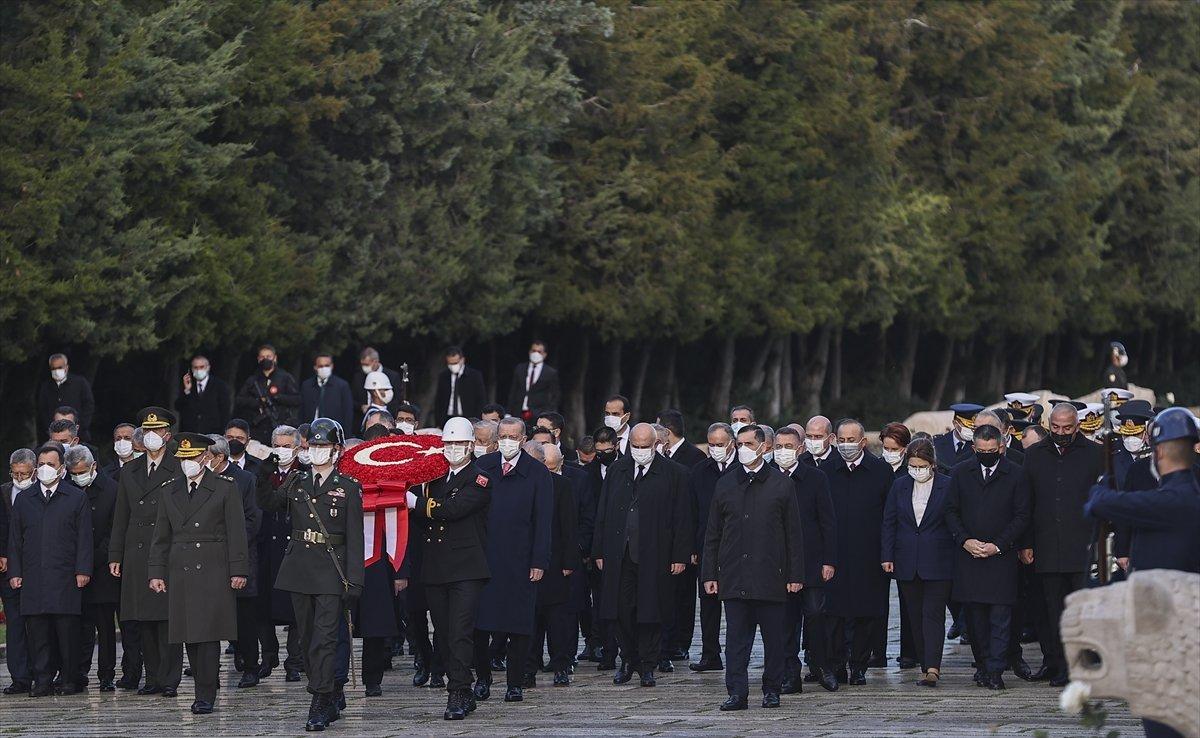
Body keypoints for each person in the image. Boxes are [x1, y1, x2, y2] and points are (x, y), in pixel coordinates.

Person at [1086, 407, 1200, 738]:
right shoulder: (1183, 495)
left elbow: (1100, 504)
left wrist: (1103, 485)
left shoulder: (1175, 500)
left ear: (1160, 450)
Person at [257, 417, 364, 731]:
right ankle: (328, 691)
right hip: (300, 569)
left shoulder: (347, 486)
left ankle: (319, 698)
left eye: (323, 446)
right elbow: (270, 503)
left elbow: (356, 537)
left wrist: (355, 578)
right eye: (313, 445)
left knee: (325, 638)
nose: (317, 451)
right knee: (306, 638)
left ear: (336, 449)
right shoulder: (297, 481)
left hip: (332, 571)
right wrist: (265, 473)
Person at [703, 425, 804, 711]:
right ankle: (737, 692)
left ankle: (772, 689)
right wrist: (710, 574)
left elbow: (793, 534)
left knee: (775, 640)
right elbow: (713, 533)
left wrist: (795, 575)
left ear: (763, 446)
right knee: (736, 641)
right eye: (739, 443)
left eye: (749, 442)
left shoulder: (781, 484)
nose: (743, 448)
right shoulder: (725, 483)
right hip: (734, 576)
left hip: (771, 575)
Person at [146, 433, 249, 715]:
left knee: (209, 633)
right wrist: (156, 571)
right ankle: (203, 686)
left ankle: (206, 692)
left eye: (192, 458)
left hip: (213, 566)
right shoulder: (169, 490)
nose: (187, 463)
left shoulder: (225, 488)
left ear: (206, 458)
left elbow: (236, 532)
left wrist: (238, 569)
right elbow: (161, 536)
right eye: (182, 459)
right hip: (181, 568)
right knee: (190, 633)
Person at [592, 423, 691, 688]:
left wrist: (680, 555)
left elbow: (683, 518)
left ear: (656, 445)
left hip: (655, 554)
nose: (639, 451)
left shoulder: (674, 473)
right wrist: (599, 550)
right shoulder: (617, 470)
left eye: (644, 447)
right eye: (635, 446)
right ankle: (628, 659)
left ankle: (648, 664)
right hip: (620, 554)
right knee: (621, 610)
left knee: (651, 610)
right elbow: (603, 512)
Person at [408, 417, 491, 719]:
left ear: (471, 446)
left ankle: (457, 692)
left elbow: (454, 509)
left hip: (466, 568)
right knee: (443, 632)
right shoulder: (433, 479)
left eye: (459, 444)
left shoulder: (480, 478)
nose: (453, 449)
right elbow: (423, 519)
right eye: (448, 444)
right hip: (436, 567)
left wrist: (416, 503)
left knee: (459, 631)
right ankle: (464, 687)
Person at [471, 418, 554, 703]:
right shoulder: (484, 466)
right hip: (484, 557)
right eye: (503, 435)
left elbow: (543, 521)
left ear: (523, 438)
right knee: (480, 624)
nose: (508, 440)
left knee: (518, 624)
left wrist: (539, 561)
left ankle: (515, 682)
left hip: (521, 559)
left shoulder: (537, 472)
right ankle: (482, 678)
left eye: (513, 436)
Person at [1021, 402, 1103, 687]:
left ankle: (1083, 665)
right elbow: (1025, 503)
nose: (1060, 432)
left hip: (1082, 547)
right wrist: (1026, 543)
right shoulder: (1033, 456)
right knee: (1051, 610)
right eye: (1055, 427)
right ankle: (1057, 663)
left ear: (1077, 425)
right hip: (1045, 546)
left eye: (1067, 428)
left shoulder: (1095, 454)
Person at [945, 424, 1031, 690]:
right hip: (969, 556)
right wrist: (965, 540)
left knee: (1000, 618)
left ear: (1001, 447)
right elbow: (950, 511)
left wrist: (999, 545)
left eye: (991, 450)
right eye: (981, 451)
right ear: (974, 448)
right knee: (975, 620)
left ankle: (995, 670)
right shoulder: (960, 472)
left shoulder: (1016, 474)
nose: (986, 454)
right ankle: (983, 666)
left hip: (1001, 558)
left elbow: (1022, 515)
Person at [109, 407, 184, 697]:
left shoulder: (178, 466)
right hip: (136, 550)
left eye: (157, 431)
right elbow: (121, 516)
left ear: (167, 434)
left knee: (166, 618)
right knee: (143, 617)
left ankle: (169, 678)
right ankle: (152, 676)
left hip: (165, 549)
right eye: (147, 431)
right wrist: (116, 554)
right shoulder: (130, 470)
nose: (151, 436)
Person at [7, 443, 92, 696]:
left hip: (65, 576)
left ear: (62, 469)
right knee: (38, 632)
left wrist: (82, 570)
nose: (45, 469)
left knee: (66, 633)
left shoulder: (76, 497)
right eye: (41, 464)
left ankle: (68, 679)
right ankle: (42, 680)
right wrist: (15, 572)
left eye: (50, 465)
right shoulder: (24, 499)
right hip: (33, 577)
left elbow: (84, 539)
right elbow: (15, 541)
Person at [821, 417, 893, 685]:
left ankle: (859, 665)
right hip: (835, 554)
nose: (846, 445)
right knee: (834, 615)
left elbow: (889, 516)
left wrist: (887, 554)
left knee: (866, 613)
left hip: (869, 554)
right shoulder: (826, 471)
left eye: (852, 440)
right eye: (842, 440)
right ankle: (836, 664)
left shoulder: (880, 471)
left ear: (863, 442)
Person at [882, 439, 955, 687]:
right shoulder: (900, 485)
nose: (917, 470)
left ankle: (933, 667)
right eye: (912, 465)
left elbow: (955, 520)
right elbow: (889, 522)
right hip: (906, 560)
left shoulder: (947, 485)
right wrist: (887, 556)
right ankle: (925, 663)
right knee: (914, 615)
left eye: (922, 465)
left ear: (932, 464)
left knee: (933, 614)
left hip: (939, 560)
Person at [771, 426, 837, 693]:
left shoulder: (816, 478)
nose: (783, 452)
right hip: (779, 562)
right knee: (785, 620)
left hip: (811, 560)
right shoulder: (768, 477)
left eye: (789, 446)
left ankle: (821, 665)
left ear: (800, 449)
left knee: (816, 614)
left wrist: (829, 560)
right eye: (779, 446)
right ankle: (789, 673)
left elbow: (828, 522)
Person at [202, 434, 263, 688]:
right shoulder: (199, 479)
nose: (202, 460)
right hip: (205, 558)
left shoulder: (245, 479)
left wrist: (229, 547)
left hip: (238, 555)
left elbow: (252, 519)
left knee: (245, 617)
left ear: (220, 457)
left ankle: (250, 665)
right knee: (209, 617)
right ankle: (208, 670)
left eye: (207, 456)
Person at [253, 426, 307, 683]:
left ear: (297, 447)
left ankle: (295, 661)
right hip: (267, 546)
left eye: (287, 445)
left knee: (295, 608)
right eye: (278, 444)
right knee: (263, 606)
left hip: (294, 547)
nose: (282, 450)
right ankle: (269, 655)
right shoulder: (263, 471)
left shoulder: (304, 473)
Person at [65, 446, 120, 692]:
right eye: (73, 472)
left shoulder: (111, 490)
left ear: (93, 466)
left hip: (101, 568)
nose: (78, 476)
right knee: (79, 626)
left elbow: (114, 531)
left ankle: (107, 673)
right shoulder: (67, 489)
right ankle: (79, 672)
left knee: (105, 627)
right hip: (73, 568)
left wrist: (92, 559)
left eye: (82, 471)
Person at [525, 442, 579, 687]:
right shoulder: (516, 484)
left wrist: (569, 561)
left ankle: (561, 666)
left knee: (558, 620)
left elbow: (569, 526)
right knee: (529, 620)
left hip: (555, 562)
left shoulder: (561, 485)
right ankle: (528, 668)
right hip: (524, 563)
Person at [688, 422, 736, 674]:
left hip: (738, 545)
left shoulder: (743, 468)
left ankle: (737, 654)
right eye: (712, 444)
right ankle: (710, 653)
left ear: (732, 443)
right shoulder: (699, 472)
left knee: (737, 603)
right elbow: (692, 512)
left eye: (721, 444)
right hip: (707, 544)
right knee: (708, 601)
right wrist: (693, 546)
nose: (716, 448)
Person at [581, 425, 619, 667]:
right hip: (597, 546)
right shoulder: (588, 473)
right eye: (599, 450)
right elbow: (587, 513)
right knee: (600, 601)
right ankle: (604, 647)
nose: (603, 453)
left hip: (622, 542)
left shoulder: (627, 468)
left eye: (608, 449)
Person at [1, 449, 36, 694]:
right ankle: (20, 677)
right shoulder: (4, 492)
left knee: (38, 625)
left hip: (37, 568)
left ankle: (42, 673)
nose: (20, 478)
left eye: (24, 474)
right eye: (16, 474)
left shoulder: (42, 492)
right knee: (14, 624)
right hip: (8, 569)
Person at [235, 345, 301, 443]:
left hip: (280, 425)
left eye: (269, 356)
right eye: (262, 357)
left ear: (275, 358)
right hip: (257, 429)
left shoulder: (285, 378)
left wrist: (277, 398)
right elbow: (239, 400)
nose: (265, 359)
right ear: (258, 359)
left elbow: (297, 399)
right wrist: (257, 402)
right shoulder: (253, 379)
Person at [36, 353, 96, 440]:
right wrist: (50, 429)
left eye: (59, 367)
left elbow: (88, 405)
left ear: (66, 367)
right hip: (54, 436)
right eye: (53, 368)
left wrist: (82, 426)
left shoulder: (80, 383)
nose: (56, 371)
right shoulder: (46, 387)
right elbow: (43, 410)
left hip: (79, 435)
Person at [176, 354, 232, 434]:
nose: (198, 370)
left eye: (201, 367)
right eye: (196, 367)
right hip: (190, 434)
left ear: (208, 367)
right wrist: (187, 391)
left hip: (212, 434)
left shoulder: (219, 385)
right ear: (192, 369)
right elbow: (178, 406)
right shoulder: (188, 384)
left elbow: (225, 412)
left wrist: (223, 433)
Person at [507, 339, 561, 420]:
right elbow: (513, 391)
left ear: (545, 354)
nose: (536, 353)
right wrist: (509, 412)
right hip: (518, 413)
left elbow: (555, 395)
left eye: (539, 352)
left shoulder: (550, 372)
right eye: (534, 350)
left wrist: (548, 413)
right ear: (529, 352)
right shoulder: (520, 368)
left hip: (539, 414)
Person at [300, 353, 354, 433]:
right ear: (315, 367)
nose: (324, 368)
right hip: (311, 431)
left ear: (332, 366)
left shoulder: (342, 386)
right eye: (320, 366)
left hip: (334, 432)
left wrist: (346, 435)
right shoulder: (307, 385)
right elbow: (302, 411)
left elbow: (348, 412)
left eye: (327, 365)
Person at [352, 347, 405, 426]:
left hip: (387, 421)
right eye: (362, 364)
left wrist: (383, 411)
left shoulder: (392, 376)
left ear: (375, 361)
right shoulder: (358, 377)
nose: (364, 367)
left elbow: (397, 400)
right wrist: (361, 407)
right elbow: (352, 399)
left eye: (366, 364)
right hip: (362, 422)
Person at [435, 346, 487, 425]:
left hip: (468, 418)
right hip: (447, 418)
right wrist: (438, 422)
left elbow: (481, 399)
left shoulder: (474, 375)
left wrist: (477, 420)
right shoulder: (443, 376)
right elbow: (439, 400)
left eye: (455, 363)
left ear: (462, 360)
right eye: (450, 363)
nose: (453, 366)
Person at [932, 403, 983, 473]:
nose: (971, 431)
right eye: (967, 427)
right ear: (955, 423)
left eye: (973, 428)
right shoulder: (936, 442)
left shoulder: (980, 446)